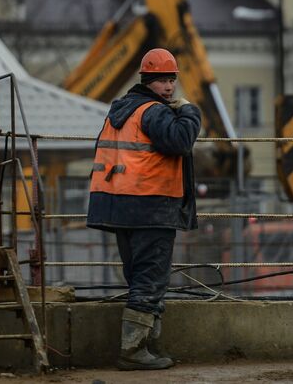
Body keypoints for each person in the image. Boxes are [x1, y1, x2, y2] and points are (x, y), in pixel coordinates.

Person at [86, 48, 201, 370]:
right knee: (150, 279)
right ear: (148, 81)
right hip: (150, 205)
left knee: (140, 277)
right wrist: (190, 111)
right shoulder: (154, 112)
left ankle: (148, 344)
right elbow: (181, 141)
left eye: (171, 80)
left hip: (119, 206)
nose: (168, 87)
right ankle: (134, 350)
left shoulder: (120, 110)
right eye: (162, 81)